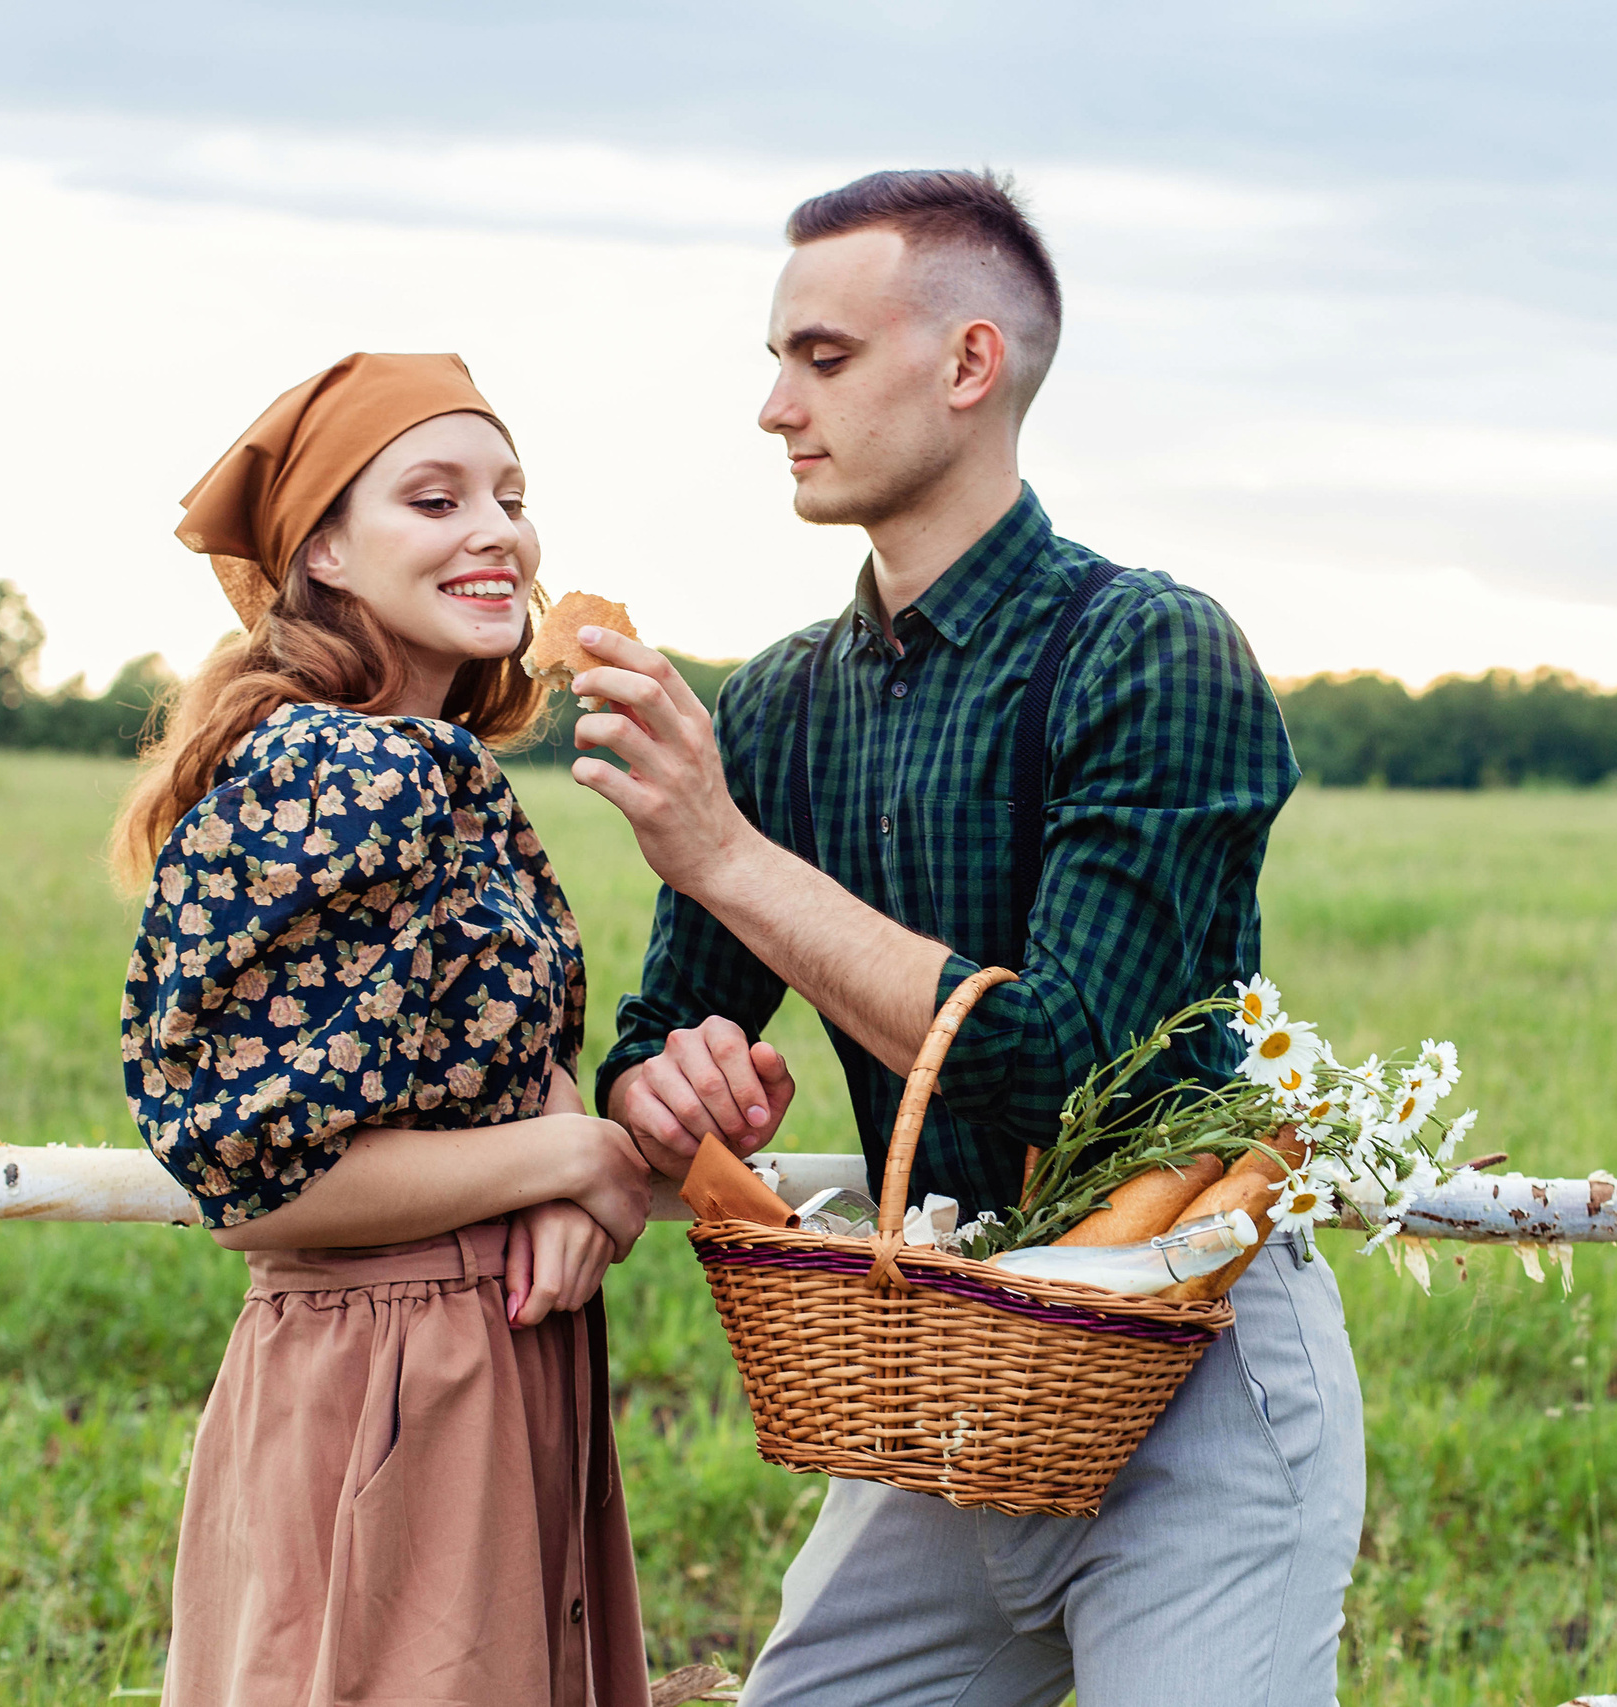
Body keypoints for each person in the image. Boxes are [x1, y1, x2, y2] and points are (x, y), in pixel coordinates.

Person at [578, 172, 1364, 1705]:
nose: (772, 408)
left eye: (820, 357)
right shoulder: (784, 700)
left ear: (968, 364)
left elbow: (1057, 1066)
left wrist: (726, 849)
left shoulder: (1153, 649)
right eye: (776, 360)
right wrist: (663, 1089)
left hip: (1179, 1358)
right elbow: (662, 1026)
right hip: (945, 1356)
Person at [113, 352, 653, 1707]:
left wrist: (561, 1130)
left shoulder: (426, 765)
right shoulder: (338, 770)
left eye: (510, 494)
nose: (497, 531)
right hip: (389, 1368)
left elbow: (480, 1058)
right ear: (330, 555)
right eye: (435, 497)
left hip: (479, 1345)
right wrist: (579, 1161)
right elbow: (259, 1185)